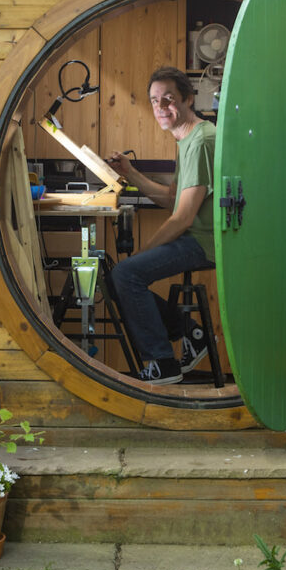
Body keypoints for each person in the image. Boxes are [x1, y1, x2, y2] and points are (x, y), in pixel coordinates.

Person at [106, 66, 215, 385]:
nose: (161, 108)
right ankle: (192, 334)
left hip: (205, 241)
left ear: (188, 100)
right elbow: (172, 197)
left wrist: (142, 252)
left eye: (168, 99)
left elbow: (181, 217)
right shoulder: (188, 138)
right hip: (196, 235)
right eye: (155, 101)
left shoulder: (202, 140)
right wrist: (130, 173)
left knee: (125, 273)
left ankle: (163, 362)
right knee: (117, 277)